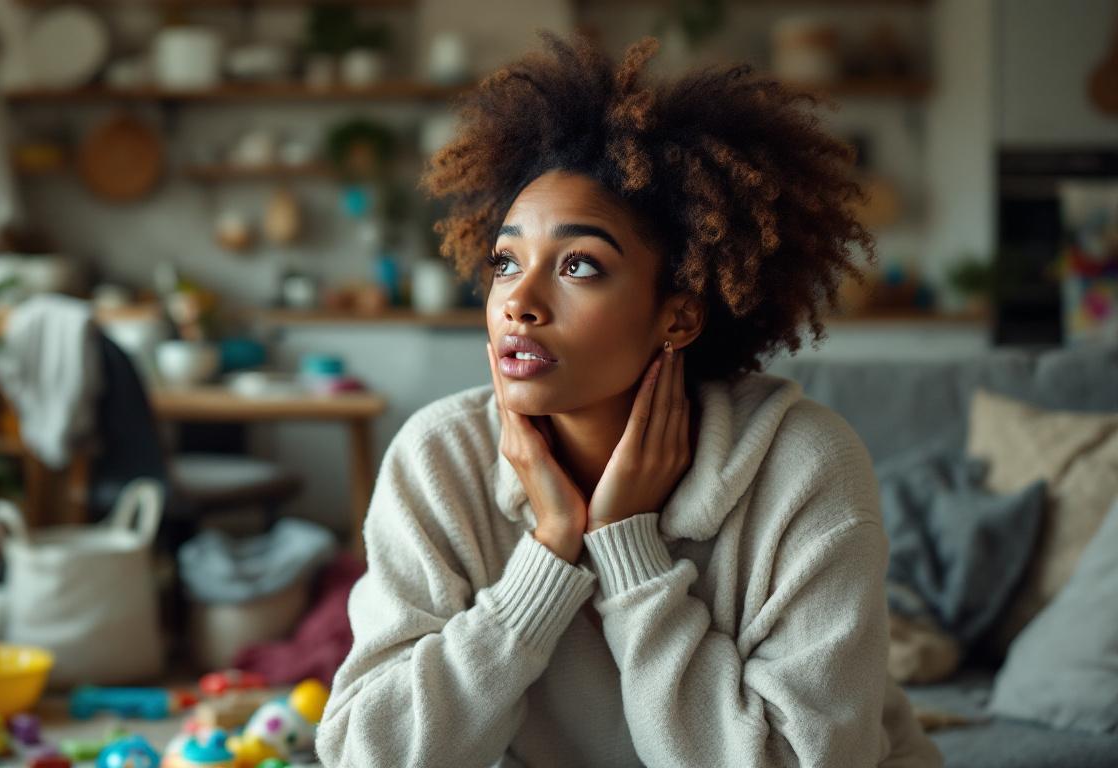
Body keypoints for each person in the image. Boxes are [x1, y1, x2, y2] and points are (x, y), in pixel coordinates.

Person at [315, 32, 942, 768]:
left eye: (579, 264)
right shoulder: (439, 458)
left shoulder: (803, 465)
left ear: (677, 314)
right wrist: (548, 554)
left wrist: (629, 551)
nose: (519, 301)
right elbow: (365, 756)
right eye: (506, 261)